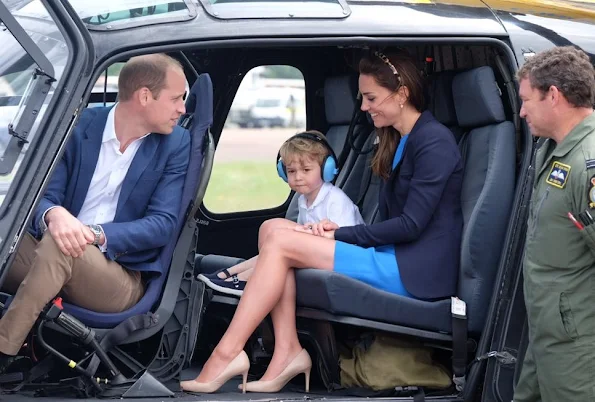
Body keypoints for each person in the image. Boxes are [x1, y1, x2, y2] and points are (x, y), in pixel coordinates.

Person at [181, 49, 463, 394]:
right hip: (394, 254)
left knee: (282, 243)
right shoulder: (401, 140)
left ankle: (227, 353)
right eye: (363, 98)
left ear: (402, 94)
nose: (364, 106)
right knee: (272, 229)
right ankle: (286, 350)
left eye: (371, 97)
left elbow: (411, 225)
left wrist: (338, 234)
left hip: (414, 270)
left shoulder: (434, 142)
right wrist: (336, 234)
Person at [0, 54, 190, 364]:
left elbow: (162, 224)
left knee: (63, 246)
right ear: (144, 96)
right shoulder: (78, 125)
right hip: (52, 251)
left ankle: (3, 350)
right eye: (176, 98)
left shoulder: (176, 144)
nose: (182, 108)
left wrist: (94, 234)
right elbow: (41, 197)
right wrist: (54, 214)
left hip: (118, 277)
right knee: (46, 237)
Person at [513, 46, 595, 402]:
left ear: (554, 96)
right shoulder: (552, 149)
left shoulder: (587, 163)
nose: (521, 111)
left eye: (527, 100)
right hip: (548, 336)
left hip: (577, 348)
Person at [197, 130, 364, 296]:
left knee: (275, 251)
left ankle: (242, 279)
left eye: (306, 170)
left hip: (343, 260)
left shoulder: (336, 200)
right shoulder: (302, 200)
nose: (298, 177)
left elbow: (348, 241)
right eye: (291, 171)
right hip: (317, 253)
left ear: (326, 169)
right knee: (271, 252)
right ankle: (229, 274)